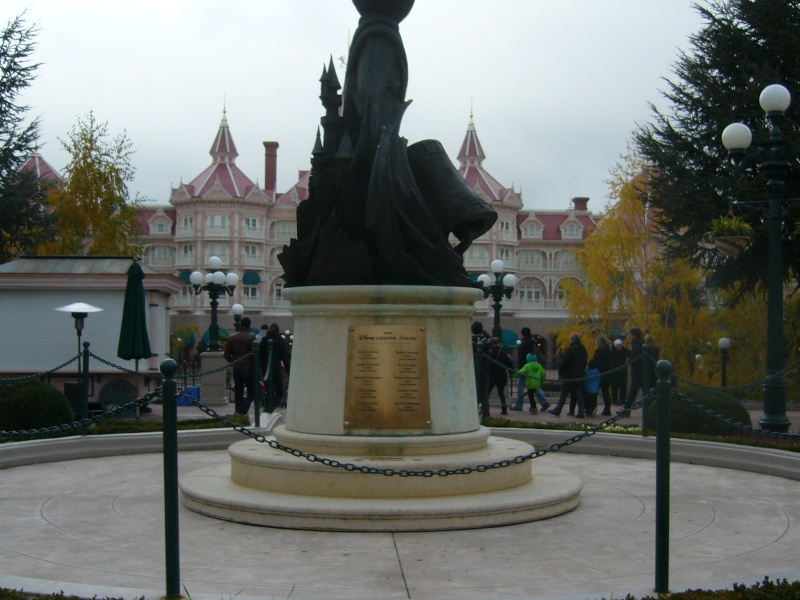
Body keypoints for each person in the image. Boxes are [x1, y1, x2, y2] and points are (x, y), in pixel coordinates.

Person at [548, 332, 588, 418]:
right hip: (579, 375)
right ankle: (581, 411)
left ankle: (558, 409)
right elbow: (585, 362)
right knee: (578, 393)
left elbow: (564, 363)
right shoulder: (583, 350)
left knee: (564, 393)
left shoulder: (570, 350)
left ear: (572, 339)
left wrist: (561, 372)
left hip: (569, 375)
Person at [223, 316, 256, 416]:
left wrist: (233, 361)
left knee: (238, 392)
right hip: (248, 368)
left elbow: (226, 355)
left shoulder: (232, 337)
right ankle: (242, 410)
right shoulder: (251, 336)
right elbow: (253, 354)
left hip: (236, 368)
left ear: (241, 324)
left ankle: (238, 412)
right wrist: (254, 365)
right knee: (252, 392)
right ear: (249, 325)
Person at [260, 323, 291, 410]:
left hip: (265, 371)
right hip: (276, 370)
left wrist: (260, 372)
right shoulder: (280, 340)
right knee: (280, 393)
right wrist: (289, 372)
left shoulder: (264, 340)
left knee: (269, 391)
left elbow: (260, 357)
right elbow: (285, 358)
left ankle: (268, 407)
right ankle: (270, 407)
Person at [621, 327, 645, 414]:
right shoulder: (642, 344)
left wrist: (630, 359)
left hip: (637, 371)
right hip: (642, 371)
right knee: (645, 391)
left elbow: (635, 358)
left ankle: (626, 410)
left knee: (633, 391)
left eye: (630, 335)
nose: (629, 336)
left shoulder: (636, 346)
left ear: (634, 335)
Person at [472, 321, 492, 418]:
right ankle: (486, 414)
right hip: (485, 370)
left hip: (472, 370)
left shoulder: (471, 340)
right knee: (484, 395)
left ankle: (472, 413)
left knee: (472, 394)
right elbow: (491, 339)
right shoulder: (487, 341)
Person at [488, 338, 513, 415]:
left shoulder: (490, 353)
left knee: (487, 392)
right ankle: (504, 408)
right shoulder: (503, 353)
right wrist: (511, 373)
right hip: (502, 375)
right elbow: (510, 365)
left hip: (492, 375)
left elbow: (487, 365)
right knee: (501, 392)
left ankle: (484, 407)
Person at [513, 327, 535, 411]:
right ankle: (544, 402)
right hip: (532, 366)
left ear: (523, 334)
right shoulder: (532, 342)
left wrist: (520, 368)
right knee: (534, 386)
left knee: (520, 387)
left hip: (524, 367)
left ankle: (519, 405)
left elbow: (522, 357)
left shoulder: (525, 343)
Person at [592, 336, 613, 415]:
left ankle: (593, 408)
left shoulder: (598, 351)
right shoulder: (609, 351)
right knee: (605, 392)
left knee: (595, 392)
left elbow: (595, 362)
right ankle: (607, 409)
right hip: (607, 373)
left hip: (599, 373)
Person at [609, 338, 630, 406]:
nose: (619, 347)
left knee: (622, 386)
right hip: (614, 371)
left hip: (622, 371)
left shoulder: (625, 351)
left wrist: (628, 358)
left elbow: (631, 354)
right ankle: (614, 400)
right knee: (614, 386)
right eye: (617, 345)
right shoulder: (612, 352)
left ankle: (622, 400)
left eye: (620, 345)